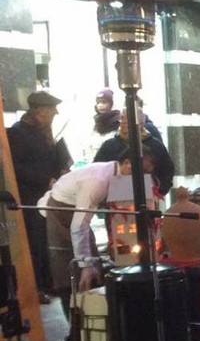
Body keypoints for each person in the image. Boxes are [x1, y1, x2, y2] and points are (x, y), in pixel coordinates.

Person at [45, 149, 141, 316]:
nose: (144, 176)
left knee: (93, 262)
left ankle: (97, 317)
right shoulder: (98, 181)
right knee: (71, 270)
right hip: (60, 210)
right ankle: (77, 330)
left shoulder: (116, 174)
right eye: (143, 171)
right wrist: (86, 265)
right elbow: (78, 226)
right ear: (127, 164)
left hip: (74, 211)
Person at [7, 90, 73, 304]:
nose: (55, 112)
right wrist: (45, 179)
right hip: (30, 197)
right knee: (35, 243)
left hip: (48, 194)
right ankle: (36, 287)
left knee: (46, 240)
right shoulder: (18, 132)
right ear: (40, 110)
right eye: (52, 109)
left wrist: (61, 169)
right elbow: (16, 167)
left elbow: (50, 158)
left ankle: (48, 283)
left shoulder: (45, 132)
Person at [94, 107, 175, 197]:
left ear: (140, 123)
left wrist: (158, 191)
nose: (124, 122)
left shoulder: (155, 145)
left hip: (148, 196)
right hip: (115, 199)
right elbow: (97, 171)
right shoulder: (109, 145)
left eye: (128, 118)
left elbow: (167, 171)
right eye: (122, 118)